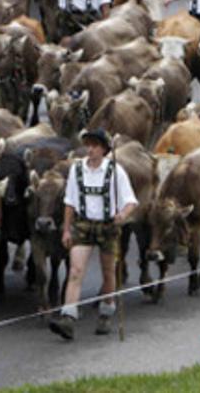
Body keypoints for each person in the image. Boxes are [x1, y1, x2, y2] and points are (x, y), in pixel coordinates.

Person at [49, 129, 137, 340]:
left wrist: (122, 214)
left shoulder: (115, 170)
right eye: (88, 145)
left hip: (107, 226)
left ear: (104, 149)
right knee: (76, 270)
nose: (90, 149)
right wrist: (66, 229)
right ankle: (68, 317)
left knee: (108, 273)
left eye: (95, 145)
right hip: (83, 225)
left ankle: (106, 311)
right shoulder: (77, 169)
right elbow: (70, 202)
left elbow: (131, 201)